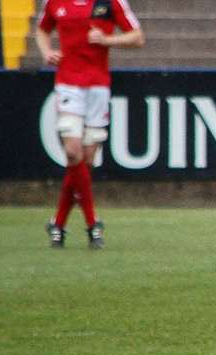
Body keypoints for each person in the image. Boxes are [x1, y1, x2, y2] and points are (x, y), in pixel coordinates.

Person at [36, 0, 145, 249]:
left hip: (97, 88)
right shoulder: (55, 2)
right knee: (73, 152)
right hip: (67, 85)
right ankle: (93, 223)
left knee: (85, 162)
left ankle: (58, 223)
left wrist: (107, 40)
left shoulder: (110, 2)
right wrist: (45, 51)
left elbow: (138, 37)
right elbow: (42, 29)